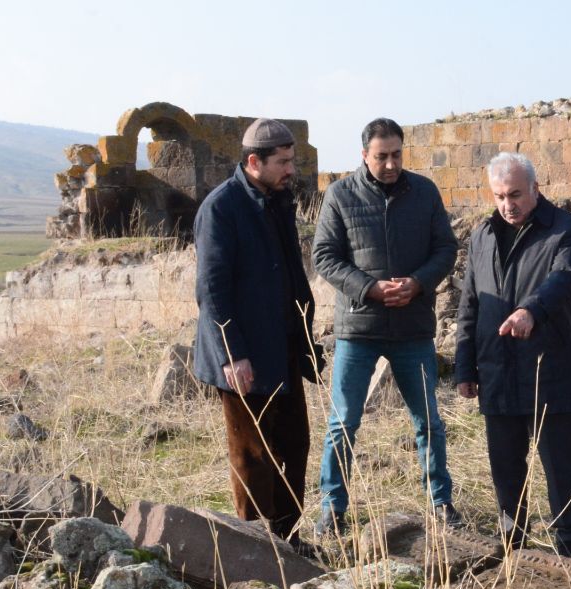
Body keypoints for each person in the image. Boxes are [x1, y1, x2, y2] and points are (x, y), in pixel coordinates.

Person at [311, 117, 460, 535]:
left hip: (412, 326)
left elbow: (445, 248)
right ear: (364, 155)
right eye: (381, 156)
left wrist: (418, 283)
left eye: (396, 154)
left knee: (428, 420)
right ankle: (332, 509)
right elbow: (324, 256)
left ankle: (441, 502)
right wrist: (369, 289)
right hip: (359, 327)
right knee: (343, 421)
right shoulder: (340, 195)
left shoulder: (424, 192)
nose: (391, 164)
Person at [192, 118, 321, 556]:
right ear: (254, 162)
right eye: (283, 162)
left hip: (283, 347)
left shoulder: (278, 200)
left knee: (294, 445)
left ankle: (288, 541)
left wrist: (304, 338)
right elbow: (212, 288)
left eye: (292, 160)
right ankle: (254, 550)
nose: (291, 170)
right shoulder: (221, 207)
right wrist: (233, 354)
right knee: (252, 457)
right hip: (243, 356)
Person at [454, 152, 571, 557]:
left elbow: (564, 280)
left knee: (559, 468)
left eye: (515, 194)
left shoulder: (566, 230)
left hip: (547, 369)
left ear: (535, 188)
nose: (507, 204)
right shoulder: (482, 236)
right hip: (497, 369)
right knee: (506, 470)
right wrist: (464, 366)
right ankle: (512, 545)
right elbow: (470, 305)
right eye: (498, 196)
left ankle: (570, 546)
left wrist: (532, 310)